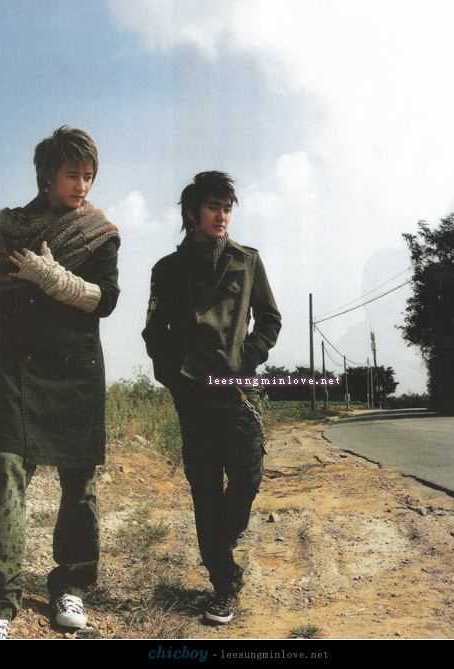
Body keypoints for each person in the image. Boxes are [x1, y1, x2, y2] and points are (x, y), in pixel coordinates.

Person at [0, 127, 120, 639]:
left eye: (89, 175)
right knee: (6, 473)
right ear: (47, 176)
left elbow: (105, 300)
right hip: (17, 370)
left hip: (76, 370)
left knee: (79, 484)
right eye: (72, 175)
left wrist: (49, 276)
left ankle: (72, 586)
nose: (82, 186)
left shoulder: (97, 231)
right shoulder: (6, 229)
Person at [142, 171, 281, 623]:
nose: (222, 216)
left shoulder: (247, 260)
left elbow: (270, 319)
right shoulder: (168, 268)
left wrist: (248, 357)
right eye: (213, 207)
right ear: (191, 212)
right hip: (194, 393)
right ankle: (225, 585)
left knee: (247, 478)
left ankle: (218, 543)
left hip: (239, 390)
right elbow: (154, 332)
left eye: (227, 208)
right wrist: (175, 380)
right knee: (204, 489)